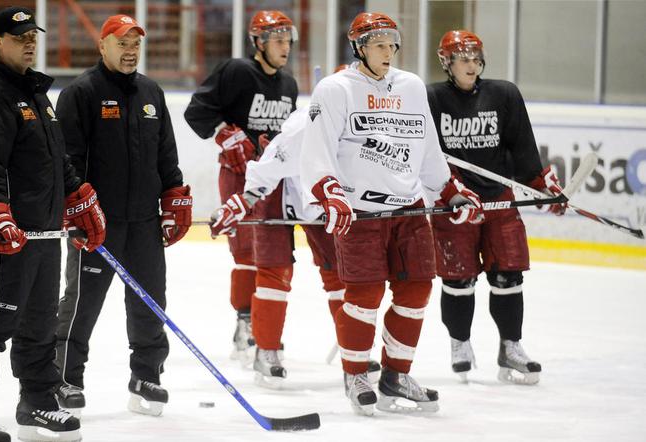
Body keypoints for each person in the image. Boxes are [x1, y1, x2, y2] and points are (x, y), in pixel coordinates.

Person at [299, 12, 484, 416]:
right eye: (380, 44)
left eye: (392, 43)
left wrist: (449, 189)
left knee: (417, 292)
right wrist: (329, 192)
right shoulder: (335, 89)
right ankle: (356, 374)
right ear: (359, 47)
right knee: (364, 296)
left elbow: (427, 146)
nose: (389, 51)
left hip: (410, 209)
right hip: (361, 211)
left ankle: (395, 374)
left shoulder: (411, 86)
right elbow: (316, 149)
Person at [0, 6, 106, 442]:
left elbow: (55, 160)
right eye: (20, 37)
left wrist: (76, 196)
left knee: (39, 324)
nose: (30, 43)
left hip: (43, 234)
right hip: (6, 238)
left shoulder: (36, 95)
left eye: (32, 36)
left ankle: (36, 403)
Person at [53, 14, 192, 418]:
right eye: (121, 44)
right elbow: (67, 159)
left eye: (135, 45)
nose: (130, 52)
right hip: (97, 225)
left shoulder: (151, 92)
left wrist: (174, 194)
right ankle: (66, 378)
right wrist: (75, 205)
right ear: (102, 46)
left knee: (150, 303)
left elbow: (166, 152)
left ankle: (147, 376)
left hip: (144, 224)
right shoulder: (81, 92)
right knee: (81, 304)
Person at [210, 65, 381, 389]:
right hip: (279, 194)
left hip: (324, 203)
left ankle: (353, 352)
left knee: (342, 275)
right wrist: (241, 202)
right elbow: (268, 168)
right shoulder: (306, 126)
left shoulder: (369, 124)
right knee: (275, 274)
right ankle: (267, 351)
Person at [427, 30, 566, 385]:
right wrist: (448, 192)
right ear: (447, 63)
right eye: (463, 58)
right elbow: (427, 155)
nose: (471, 64)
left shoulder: (503, 93)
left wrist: (540, 184)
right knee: (458, 279)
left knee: (508, 277)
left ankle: (511, 346)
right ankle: (460, 343)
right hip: (455, 203)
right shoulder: (431, 98)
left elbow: (521, 146)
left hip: (499, 200)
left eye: (475, 57)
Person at [184, 10, 299, 365]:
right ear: (259, 43)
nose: (285, 47)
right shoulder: (236, 71)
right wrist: (225, 133)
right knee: (246, 252)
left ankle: (262, 324)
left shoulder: (289, 85)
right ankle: (244, 322)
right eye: (277, 40)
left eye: (287, 40)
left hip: (273, 180)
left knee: (272, 254)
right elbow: (197, 110)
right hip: (238, 176)